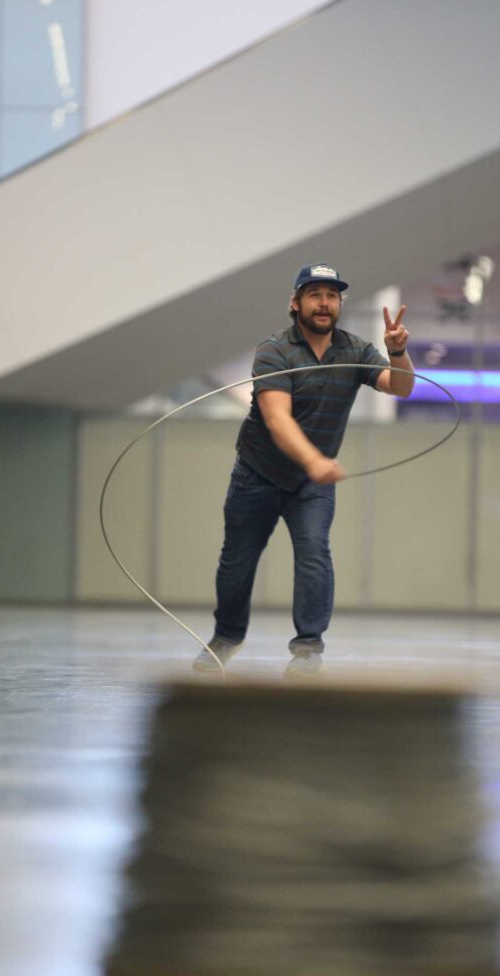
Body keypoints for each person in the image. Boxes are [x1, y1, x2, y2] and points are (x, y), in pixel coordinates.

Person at [193, 263, 415, 677]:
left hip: (310, 484)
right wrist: (315, 459)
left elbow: (401, 387)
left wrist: (398, 351)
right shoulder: (274, 351)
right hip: (257, 473)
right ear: (295, 303)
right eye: (315, 295)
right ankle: (226, 638)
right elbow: (277, 420)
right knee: (237, 561)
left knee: (314, 553)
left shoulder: (354, 350)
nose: (325, 303)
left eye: (332, 296)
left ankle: (308, 648)